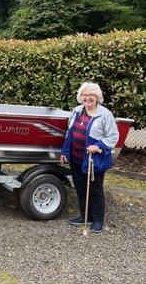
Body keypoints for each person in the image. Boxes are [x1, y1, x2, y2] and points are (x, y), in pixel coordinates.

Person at [60, 82, 119, 233]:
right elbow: (70, 133)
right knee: (80, 188)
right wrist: (65, 152)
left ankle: (98, 220)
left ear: (97, 97)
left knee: (95, 189)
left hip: (94, 159)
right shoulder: (77, 111)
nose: (88, 98)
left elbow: (113, 136)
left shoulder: (104, 114)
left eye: (91, 95)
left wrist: (98, 146)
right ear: (81, 97)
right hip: (76, 158)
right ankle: (85, 216)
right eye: (85, 95)